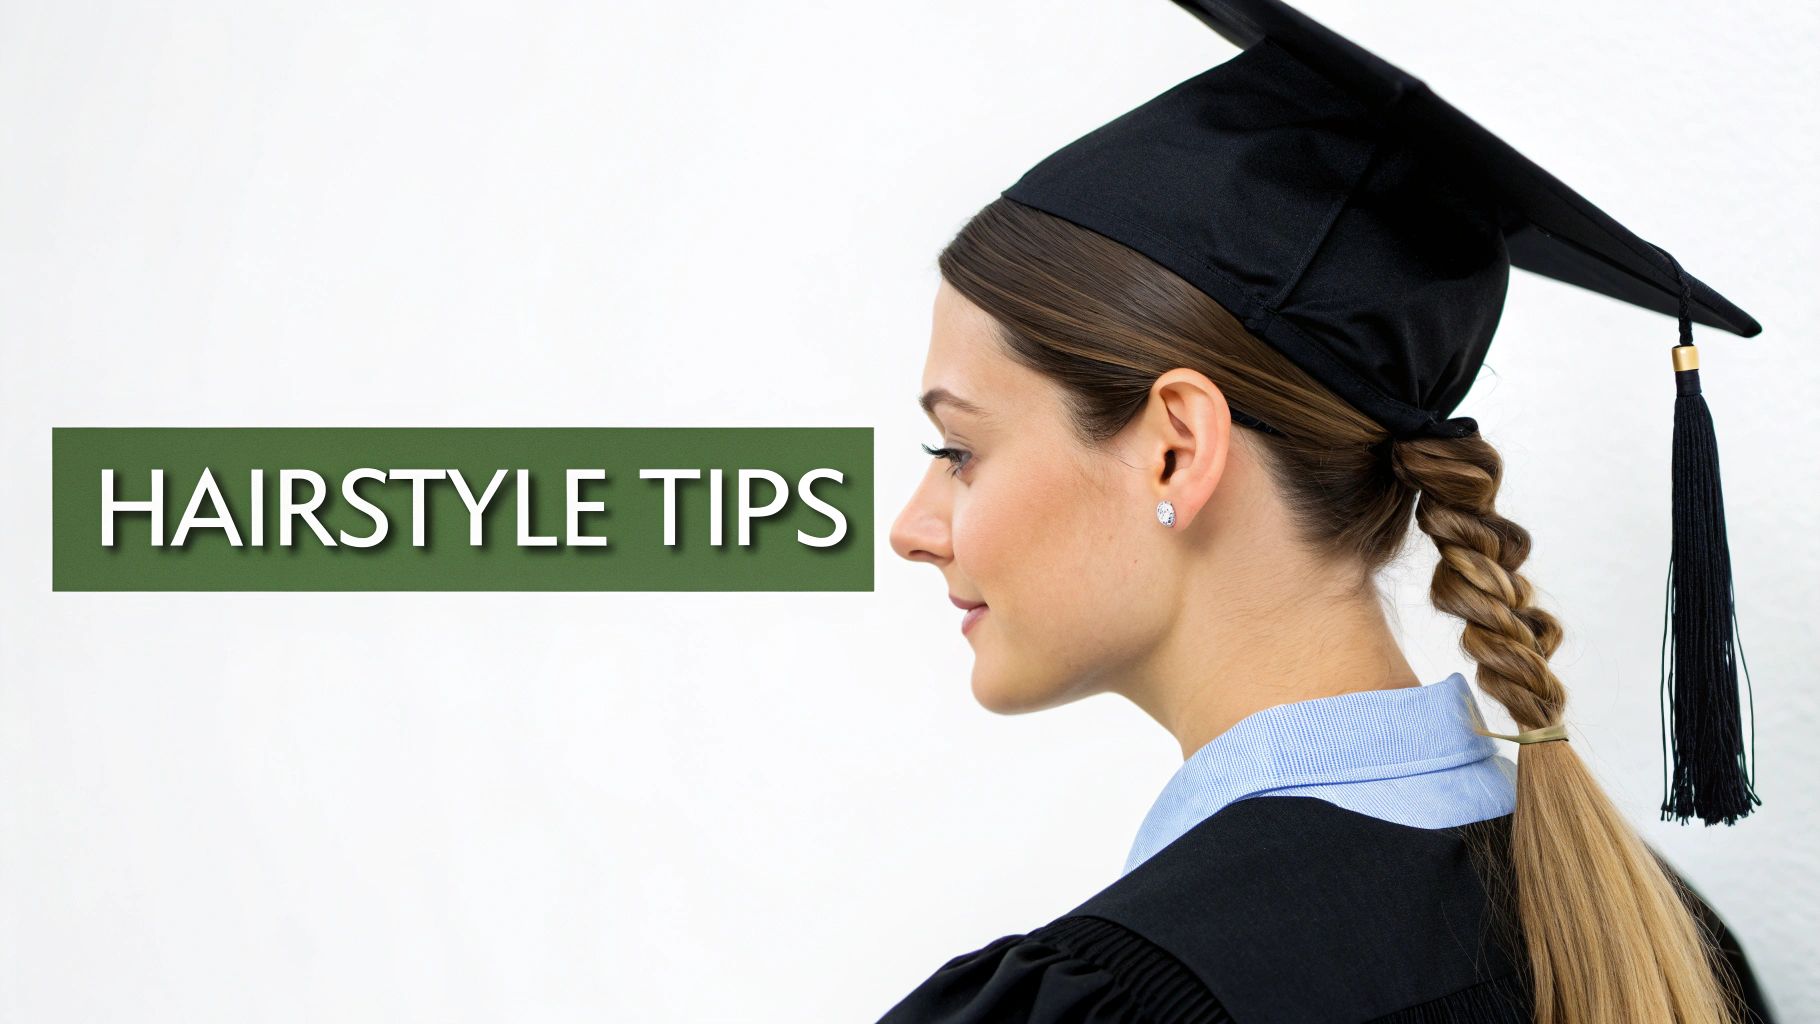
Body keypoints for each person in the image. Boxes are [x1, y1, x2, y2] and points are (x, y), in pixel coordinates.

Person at [881, 0, 1776, 1021]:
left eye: (957, 450)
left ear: (1175, 449)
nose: (910, 525)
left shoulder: (1118, 999)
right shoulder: (1652, 934)